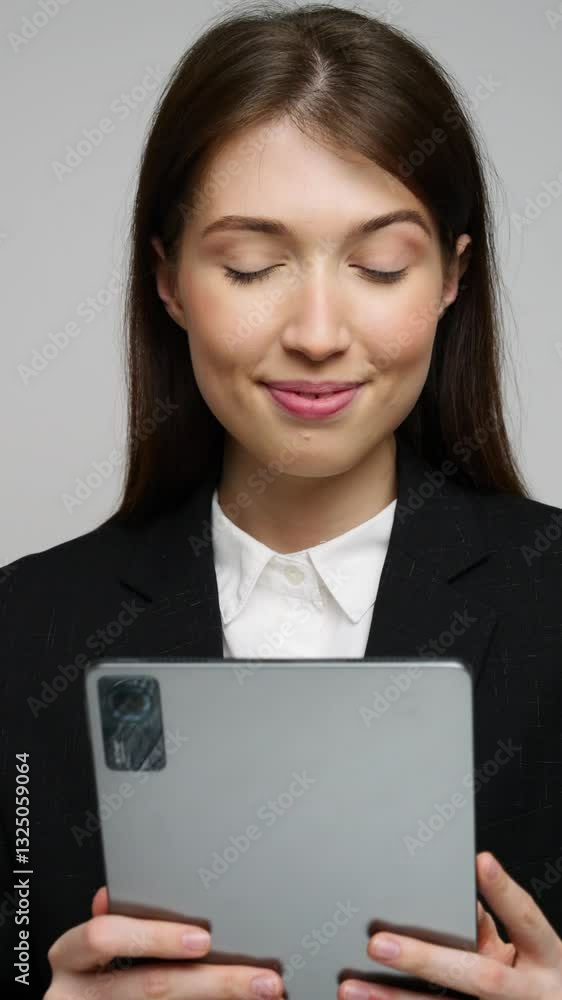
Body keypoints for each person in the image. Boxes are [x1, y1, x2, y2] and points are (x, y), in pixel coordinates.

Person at [2, 3, 562, 998]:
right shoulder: (24, 630)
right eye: (252, 266)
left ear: (451, 277)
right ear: (169, 278)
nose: (315, 331)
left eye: (379, 266)